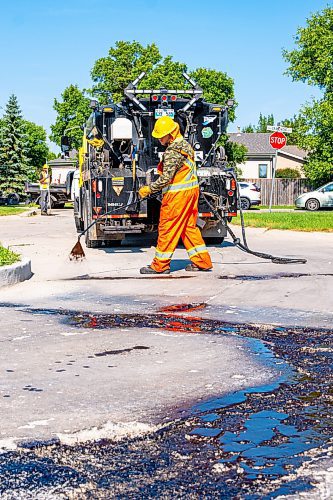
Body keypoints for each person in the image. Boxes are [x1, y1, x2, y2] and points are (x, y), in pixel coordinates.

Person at [138, 116, 212, 274]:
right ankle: (202, 261)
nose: (159, 140)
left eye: (161, 136)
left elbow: (166, 179)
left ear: (170, 134)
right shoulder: (186, 146)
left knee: (167, 228)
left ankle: (160, 265)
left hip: (177, 196)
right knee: (188, 227)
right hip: (190, 193)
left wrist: (149, 189)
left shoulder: (173, 151)